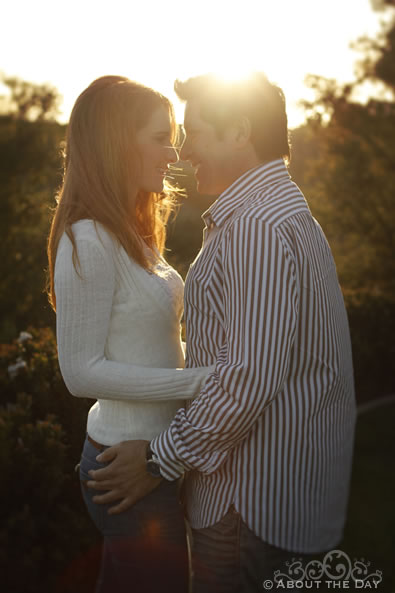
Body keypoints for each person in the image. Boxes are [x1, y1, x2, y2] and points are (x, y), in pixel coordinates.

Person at [87, 72, 357, 592]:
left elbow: (245, 379)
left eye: (194, 133)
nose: (184, 153)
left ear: (240, 130)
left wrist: (158, 460)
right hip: (283, 498)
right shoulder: (284, 212)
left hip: (249, 506)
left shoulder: (257, 226)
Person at [47, 75, 214, 593]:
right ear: (119, 143)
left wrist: (206, 365)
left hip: (151, 454)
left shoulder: (132, 230)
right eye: (160, 137)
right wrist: (195, 383)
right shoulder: (87, 239)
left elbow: (148, 344)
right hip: (125, 465)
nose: (174, 151)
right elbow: (79, 372)